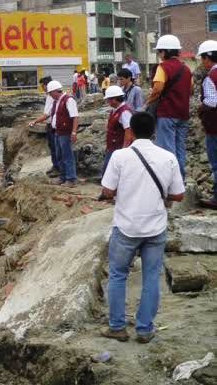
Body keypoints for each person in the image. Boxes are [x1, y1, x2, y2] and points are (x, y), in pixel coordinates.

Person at [99, 112, 185, 343]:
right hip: (155, 227)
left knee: (118, 275)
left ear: (132, 131)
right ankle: (145, 329)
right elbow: (179, 194)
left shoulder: (120, 156)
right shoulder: (168, 157)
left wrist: (122, 191)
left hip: (126, 225)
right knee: (151, 278)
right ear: (155, 131)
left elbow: (107, 190)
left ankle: (117, 327)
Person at [145, 34, 193, 179]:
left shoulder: (163, 67)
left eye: (159, 52)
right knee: (180, 149)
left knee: (166, 149)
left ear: (164, 52)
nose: (159, 55)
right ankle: (180, 180)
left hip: (167, 113)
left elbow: (158, 87)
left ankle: (169, 181)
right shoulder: (186, 69)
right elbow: (190, 90)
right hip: (183, 114)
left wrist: (149, 101)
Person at [46, 80, 79, 187]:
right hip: (57, 132)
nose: (50, 96)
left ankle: (71, 179)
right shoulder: (57, 101)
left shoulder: (68, 100)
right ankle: (63, 177)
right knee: (59, 155)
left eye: (50, 93)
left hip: (65, 133)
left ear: (56, 91)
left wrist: (74, 132)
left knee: (67, 156)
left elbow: (75, 117)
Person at [196, 40, 217, 209]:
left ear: (208, 58)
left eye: (202, 59)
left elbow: (212, 101)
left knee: (216, 163)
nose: (202, 63)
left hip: (214, 127)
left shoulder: (211, 77)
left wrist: (200, 107)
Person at [29, 76, 60, 177]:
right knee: (52, 147)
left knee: (55, 148)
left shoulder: (53, 97)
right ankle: (55, 166)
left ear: (47, 85)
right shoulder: (49, 97)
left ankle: (57, 168)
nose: (42, 88)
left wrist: (35, 121)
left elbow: (47, 114)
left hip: (53, 125)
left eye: (42, 86)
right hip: (49, 124)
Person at [102, 86, 135, 175]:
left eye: (108, 99)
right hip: (113, 146)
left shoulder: (124, 112)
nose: (107, 102)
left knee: (110, 172)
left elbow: (128, 131)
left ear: (114, 99)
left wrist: (124, 149)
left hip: (118, 147)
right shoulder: (115, 110)